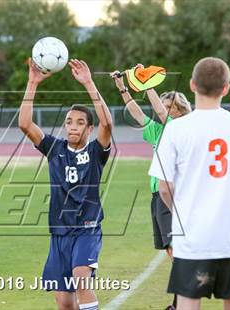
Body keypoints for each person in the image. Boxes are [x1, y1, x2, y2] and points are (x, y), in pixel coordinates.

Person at [149, 57, 230, 310]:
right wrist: (229, 185)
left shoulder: (176, 129)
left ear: (192, 85)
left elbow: (164, 187)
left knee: (188, 303)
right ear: (226, 88)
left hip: (192, 235)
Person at [19, 58, 113, 310]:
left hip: (87, 228)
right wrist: (32, 82)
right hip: (59, 231)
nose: (73, 126)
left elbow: (108, 123)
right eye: (69, 121)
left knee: (82, 279)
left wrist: (89, 83)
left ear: (89, 128)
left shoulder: (96, 151)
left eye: (80, 122)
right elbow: (25, 124)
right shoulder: (54, 148)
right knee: (64, 303)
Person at [111, 66, 191, 310]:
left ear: (180, 111)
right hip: (158, 194)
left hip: (175, 193)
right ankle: (181, 301)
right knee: (170, 250)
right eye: (165, 107)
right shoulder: (158, 131)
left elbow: (157, 110)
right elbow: (138, 113)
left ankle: (180, 304)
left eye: (170, 108)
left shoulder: (183, 129)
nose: (164, 111)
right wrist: (123, 88)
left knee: (178, 251)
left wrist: (147, 83)